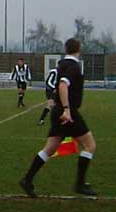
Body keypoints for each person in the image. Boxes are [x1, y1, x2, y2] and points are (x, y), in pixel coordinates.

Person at [19, 38, 97, 197]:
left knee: (49, 149)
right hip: (68, 113)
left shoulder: (62, 64)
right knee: (90, 145)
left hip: (57, 112)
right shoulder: (73, 66)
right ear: (79, 49)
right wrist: (67, 110)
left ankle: (27, 180)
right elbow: (62, 85)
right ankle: (80, 184)